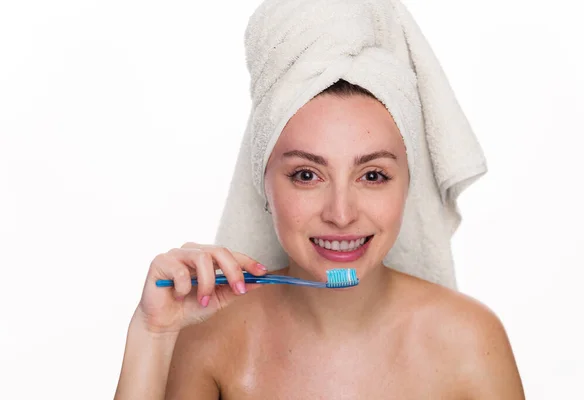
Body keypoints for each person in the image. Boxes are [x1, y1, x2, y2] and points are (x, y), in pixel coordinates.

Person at [115, 1, 526, 399]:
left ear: (407, 186)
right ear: (264, 186)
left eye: (373, 175)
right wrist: (152, 333)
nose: (341, 214)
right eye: (307, 175)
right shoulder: (211, 337)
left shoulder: (471, 341)